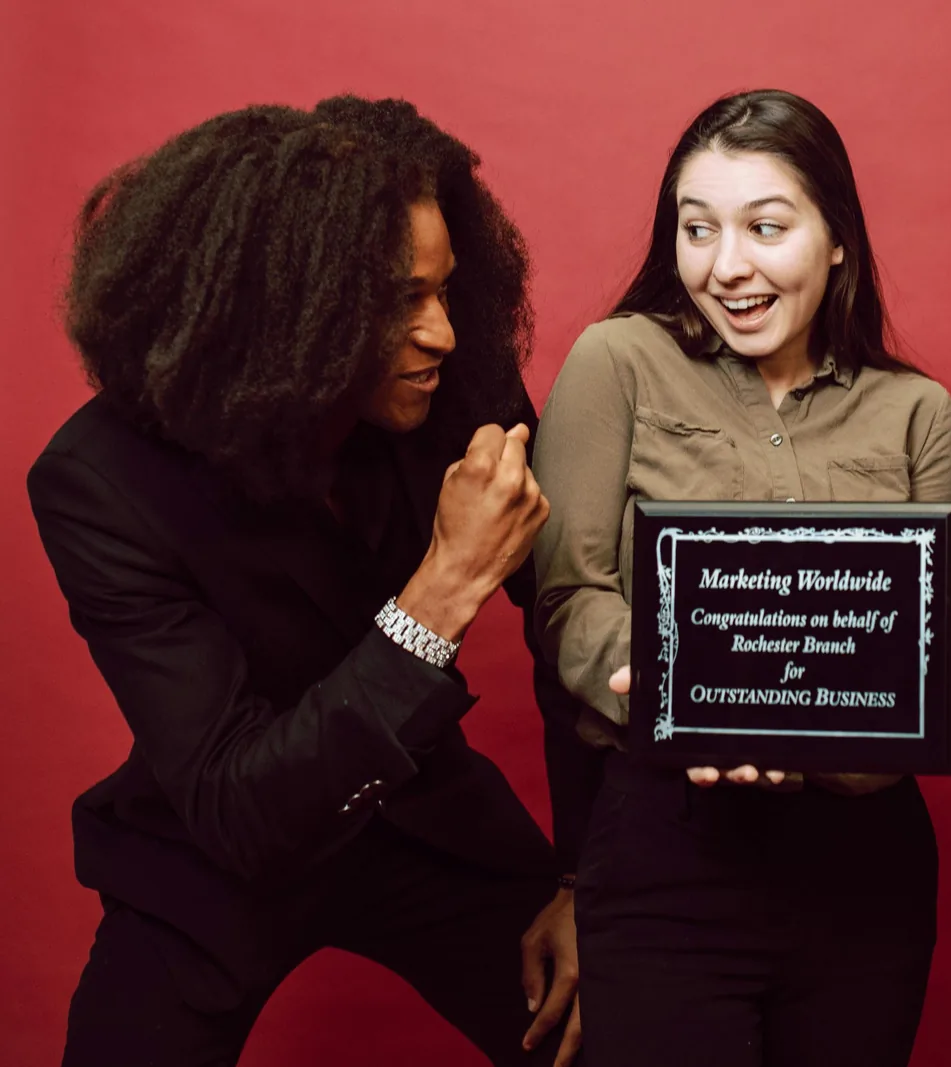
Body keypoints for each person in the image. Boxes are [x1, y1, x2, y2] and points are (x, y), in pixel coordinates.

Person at [29, 97, 583, 1066]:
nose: (443, 333)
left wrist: (591, 877)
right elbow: (238, 802)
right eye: (400, 300)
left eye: (446, 290)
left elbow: (577, 626)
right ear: (289, 308)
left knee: (608, 1023)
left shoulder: (461, 383)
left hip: (424, 811)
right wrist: (445, 586)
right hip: (220, 841)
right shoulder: (99, 481)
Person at [528, 89, 951, 1067]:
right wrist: (703, 700)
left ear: (836, 240)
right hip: (665, 849)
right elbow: (570, 600)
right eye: (695, 229)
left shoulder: (918, 414)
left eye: (765, 226)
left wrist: (908, 654)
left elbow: (901, 708)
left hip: (863, 871)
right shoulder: (616, 361)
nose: (725, 264)